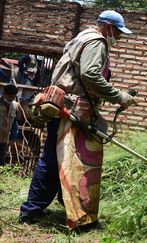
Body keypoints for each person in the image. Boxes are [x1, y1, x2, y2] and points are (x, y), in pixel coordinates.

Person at [19, 10, 136, 230]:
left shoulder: (81, 37)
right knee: (63, 161)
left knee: (60, 160)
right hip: (72, 111)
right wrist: (119, 96)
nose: (119, 37)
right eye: (118, 32)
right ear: (108, 27)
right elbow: (91, 75)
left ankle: (44, 209)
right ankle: (42, 212)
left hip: (65, 106)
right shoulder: (97, 42)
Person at [0, 84, 19, 166]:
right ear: (4, 94)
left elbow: (15, 123)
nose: (11, 99)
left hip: (4, 139)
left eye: (13, 97)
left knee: (1, 161)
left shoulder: (15, 106)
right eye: (9, 96)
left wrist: (13, 138)